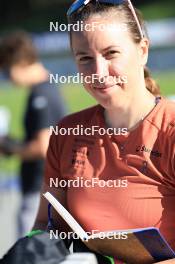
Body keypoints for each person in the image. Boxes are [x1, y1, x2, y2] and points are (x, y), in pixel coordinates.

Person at [33, 1, 175, 263]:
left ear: (142, 51)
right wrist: (37, 251)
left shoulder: (169, 131)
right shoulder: (66, 133)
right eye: (85, 58)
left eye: (111, 54)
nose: (98, 73)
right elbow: (47, 223)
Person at [0, 31, 66, 238]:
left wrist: (9, 148)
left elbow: (42, 147)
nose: (7, 77)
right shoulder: (44, 89)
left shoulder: (42, 93)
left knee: (30, 255)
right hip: (42, 187)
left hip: (39, 189)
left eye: (5, 70)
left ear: (18, 63)